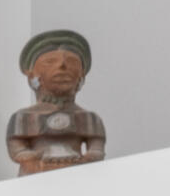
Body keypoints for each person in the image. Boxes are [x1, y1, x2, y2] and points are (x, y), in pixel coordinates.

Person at [6, 30, 106, 174]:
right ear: (32, 76)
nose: (62, 66)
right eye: (50, 61)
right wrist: (27, 156)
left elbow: (97, 148)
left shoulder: (90, 119)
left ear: (81, 76)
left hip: (77, 177)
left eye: (71, 61)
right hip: (35, 176)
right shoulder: (23, 117)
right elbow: (16, 146)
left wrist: (90, 157)